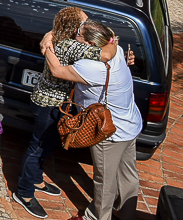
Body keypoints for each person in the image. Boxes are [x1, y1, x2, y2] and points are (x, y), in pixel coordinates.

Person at [14, 7, 119, 218]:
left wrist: (49, 34)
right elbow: (106, 53)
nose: (87, 25)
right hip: (51, 105)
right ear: (74, 28)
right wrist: (114, 41)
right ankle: (24, 192)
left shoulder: (56, 39)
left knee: (46, 144)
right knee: (38, 147)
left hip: (46, 100)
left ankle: (36, 180)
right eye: (83, 23)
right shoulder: (71, 46)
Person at [42, 20, 141, 220]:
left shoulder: (90, 66)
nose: (75, 37)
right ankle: (125, 213)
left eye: (78, 36)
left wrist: (47, 46)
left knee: (104, 181)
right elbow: (84, 20)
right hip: (130, 124)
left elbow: (57, 71)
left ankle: (97, 217)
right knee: (128, 174)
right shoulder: (114, 47)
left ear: (90, 44)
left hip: (109, 132)